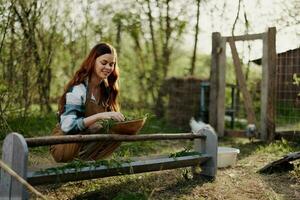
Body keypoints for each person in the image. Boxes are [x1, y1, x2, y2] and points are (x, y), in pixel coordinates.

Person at [50, 43, 126, 162]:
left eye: (112, 64)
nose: (108, 68)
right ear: (93, 61)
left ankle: (89, 163)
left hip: (87, 142)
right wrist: (100, 116)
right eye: (104, 63)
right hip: (65, 145)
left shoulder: (106, 90)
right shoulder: (79, 88)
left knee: (116, 132)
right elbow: (67, 126)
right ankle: (80, 163)